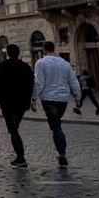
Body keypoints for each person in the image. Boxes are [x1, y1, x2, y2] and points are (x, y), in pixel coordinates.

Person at [32, 39, 81, 167]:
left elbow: (39, 82)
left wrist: (33, 98)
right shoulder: (65, 63)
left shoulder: (41, 63)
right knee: (57, 123)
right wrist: (77, 96)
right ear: (54, 48)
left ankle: (62, 153)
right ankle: (62, 152)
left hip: (49, 98)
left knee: (56, 127)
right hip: (63, 99)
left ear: (44, 50)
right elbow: (73, 80)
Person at [0, 43, 35, 168]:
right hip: (22, 103)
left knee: (13, 130)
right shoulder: (25, 67)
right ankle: (19, 156)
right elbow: (31, 84)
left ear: (8, 53)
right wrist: (30, 99)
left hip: (7, 103)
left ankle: (20, 157)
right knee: (15, 127)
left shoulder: (2, 66)